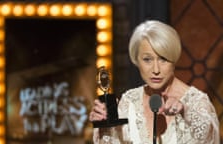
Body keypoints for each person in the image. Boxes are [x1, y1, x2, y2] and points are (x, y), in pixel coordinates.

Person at [89, 20, 220, 144]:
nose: (156, 70)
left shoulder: (197, 102)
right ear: (136, 60)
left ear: (173, 60)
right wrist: (104, 126)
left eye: (163, 59)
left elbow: (209, 137)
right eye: (147, 60)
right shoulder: (129, 101)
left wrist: (185, 111)